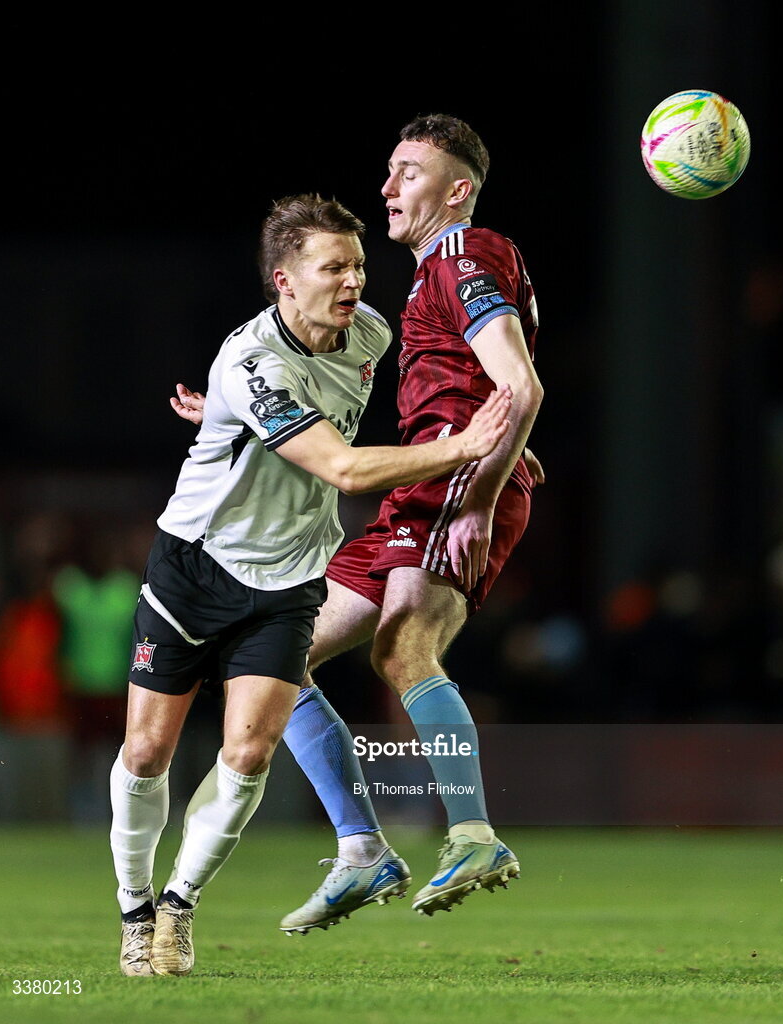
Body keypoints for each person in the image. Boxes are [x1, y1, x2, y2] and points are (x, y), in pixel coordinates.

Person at [109, 193, 513, 978]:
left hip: (290, 579)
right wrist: (465, 447)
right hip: (195, 568)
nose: (354, 279)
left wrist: (228, 421)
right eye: (334, 267)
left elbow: (313, 430)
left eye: (358, 264)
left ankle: (179, 907)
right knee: (148, 747)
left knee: (251, 752)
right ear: (284, 282)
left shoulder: (370, 334)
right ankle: (133, 906)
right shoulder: (252, 361)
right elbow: (344, 466)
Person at [172, 114, 543, 932]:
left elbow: (521, 386)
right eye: (388, 170)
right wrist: (235, 413)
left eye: (409, 172)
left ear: (458, 190)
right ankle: (361, 849)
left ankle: (475, 834)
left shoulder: (463, 252)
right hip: (424, 491)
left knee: (401, 649)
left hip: (450, 487)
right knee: (272, 661)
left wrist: (481, 493)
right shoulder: (427, 280)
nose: (388, 187)